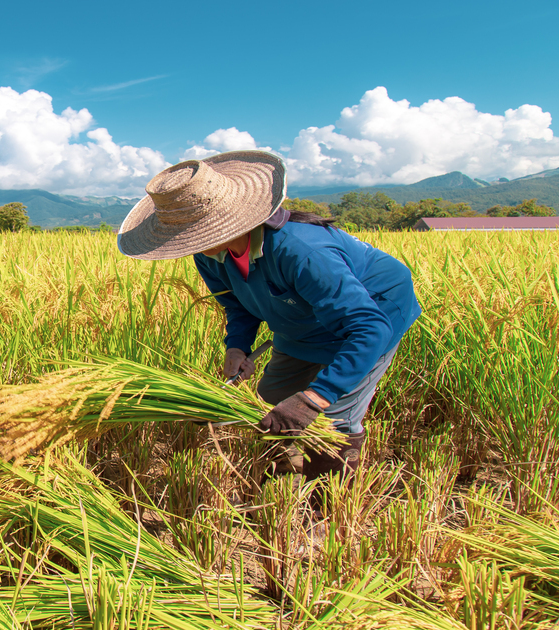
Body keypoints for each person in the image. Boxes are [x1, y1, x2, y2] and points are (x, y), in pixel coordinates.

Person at [115, 151, 421, 481]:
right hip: (299, 321)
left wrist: (313, 399)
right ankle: (284, 479)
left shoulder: (301, 251)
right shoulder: (209, 254)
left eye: (196, 233)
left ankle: (324, 506)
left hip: (374, 312)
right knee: (271, 402)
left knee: (331, 419)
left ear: (227, 221)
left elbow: (368, 328)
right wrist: (237, 348)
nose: (191, 244)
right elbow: (238, 305)